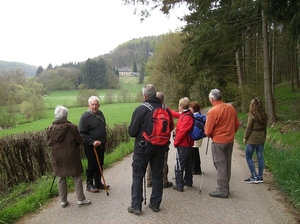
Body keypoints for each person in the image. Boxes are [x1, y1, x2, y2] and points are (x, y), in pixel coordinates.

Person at [128, 84, 173, 215]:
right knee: (158, 175)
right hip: (160, 148)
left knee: (138, 175)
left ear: (145, 95)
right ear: (155, 95)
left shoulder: (141, 109)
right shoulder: (165, 109)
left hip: (142, 148)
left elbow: (132, 132)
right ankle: (155, 204)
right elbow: (170, 127)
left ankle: (136, 206)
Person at [46, 105, 91, 208]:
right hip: (71, 155)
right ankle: (81, 199)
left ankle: (63, 201)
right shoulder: (72, 127)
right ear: (66, 115)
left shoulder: (50, 128)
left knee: (61, 178)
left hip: (56, 156)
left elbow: (48, 143)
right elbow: (79, 140)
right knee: (76, 177)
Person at [204, 89, 240, 198]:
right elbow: (237, 124)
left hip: (218, 141)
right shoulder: (230, 108)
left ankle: (222, 189)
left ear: (211, 99)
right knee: (227, 163)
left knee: (220, 165)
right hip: (229, 140)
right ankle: (226, 187)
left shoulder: (213, 111)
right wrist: (230, 133)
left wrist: (209, 134)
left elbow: (208, 131)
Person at [78, 96, 110, 193]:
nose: (95, 106)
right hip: (91, 146)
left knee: (100, 163)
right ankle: (89, 184)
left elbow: (103, 128)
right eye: (93, 104)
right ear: (89, 105)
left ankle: (98, 183)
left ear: (99, 105)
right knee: (92, 165)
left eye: (96, 104)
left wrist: (105, 140)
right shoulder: (85, 117)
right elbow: (81, 134)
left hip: (101, 144)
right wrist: (92, 142)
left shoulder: (100, 114)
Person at [146, 91, 173, 189]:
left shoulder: (149, 108)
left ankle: (149, 180)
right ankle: (164, 181)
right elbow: (171, 126)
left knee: (150, 160)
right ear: (163, 99)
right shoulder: (166, 110)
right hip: (163, 141)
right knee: (163, 161)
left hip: (151, 139)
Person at [171, 97, 194, 192]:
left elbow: (182, 132)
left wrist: (176, 142)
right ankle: (188, 181)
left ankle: (179, 184)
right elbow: (176, 114)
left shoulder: (187, 117)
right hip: (187, 144)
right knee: (188, 163)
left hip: (184, 144)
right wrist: (167, 109)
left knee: (179, 164)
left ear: (181, 106)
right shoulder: (186, 114)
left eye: (179, 105)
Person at [243, 98, 267, 184]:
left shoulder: (252, 116)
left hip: (252, 139)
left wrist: (245, 138)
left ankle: (254, 176)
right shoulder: (264, 115)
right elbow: (265, 128)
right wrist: (264, 137)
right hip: (261, 138)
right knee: (260, 156)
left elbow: (249, 128)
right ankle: (260, 176)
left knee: (248, 157)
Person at [189, 101, 203, 175]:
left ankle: (195, 168)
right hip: (199, 135)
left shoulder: (194, 116)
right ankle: (196, 167)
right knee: (195, 151)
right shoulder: (199, 115)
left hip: (195, 135)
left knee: (194, 152)